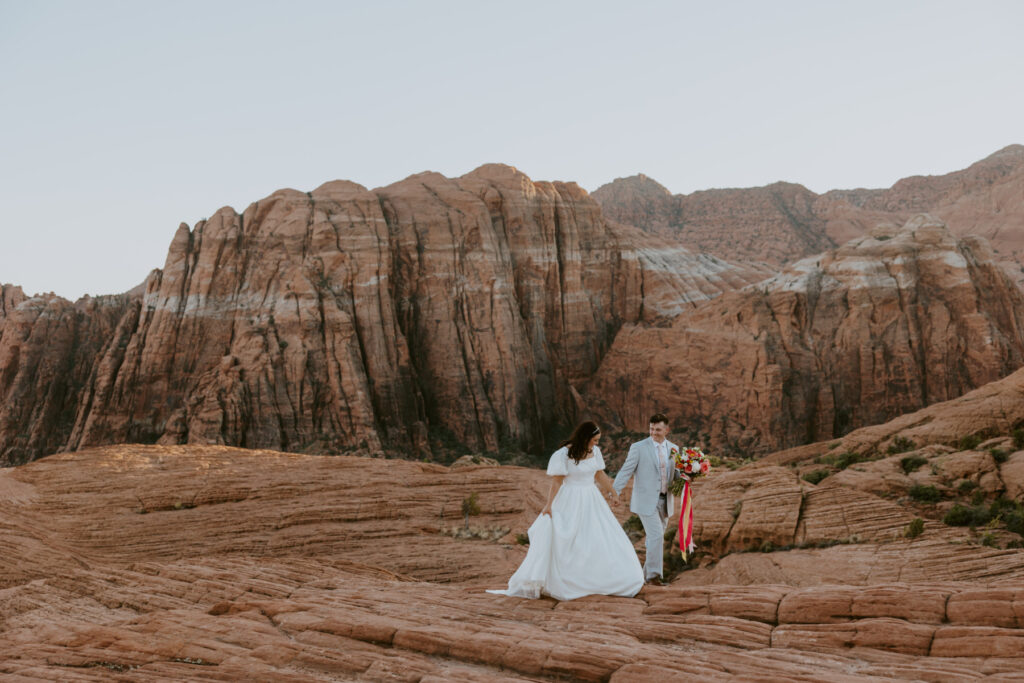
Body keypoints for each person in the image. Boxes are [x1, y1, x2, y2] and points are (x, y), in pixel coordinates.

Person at [488, 421, 644, 601]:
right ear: (585, 437)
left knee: (598, 537)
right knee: (570, 539)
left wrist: (613, 493)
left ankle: (602, 579)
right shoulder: (563, 454)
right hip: (570, 498)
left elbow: (599, 474)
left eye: (598, 440)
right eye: (594, 440)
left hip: (592, 499)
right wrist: (548, 505)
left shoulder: (596, 452)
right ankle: (570, 581)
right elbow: (557, 482)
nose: (597, 444)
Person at [612, 413, 684, 585]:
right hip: (646, 500)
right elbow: (626, 470)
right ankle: (653, 577)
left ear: (667, 430)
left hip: (666, 502)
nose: (653, 433)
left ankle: (642, 578)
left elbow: (676, 474)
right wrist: (614, 491)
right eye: (651, 429)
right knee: (656, 536)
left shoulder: (674, 448)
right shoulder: (638, 447)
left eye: (658, 429)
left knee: (655, 538)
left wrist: (690, 475)